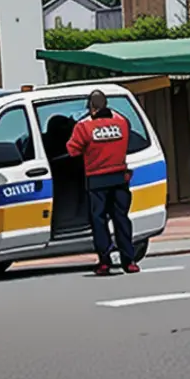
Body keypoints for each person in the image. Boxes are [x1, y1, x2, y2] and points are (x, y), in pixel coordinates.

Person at [66, 90, 140, 275]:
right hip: (119, 179)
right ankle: (129, 261)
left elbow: (72, 150)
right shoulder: (121, 122)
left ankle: (105, 261)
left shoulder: (84, 127)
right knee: (121, 219)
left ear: (91, 107)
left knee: (99, 221)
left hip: (97, 180)